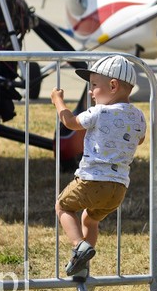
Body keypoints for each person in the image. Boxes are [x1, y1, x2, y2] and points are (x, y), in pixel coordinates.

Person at [51, 55, 147, 279]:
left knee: (63, 207)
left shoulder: (99, 112)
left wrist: (58, 100)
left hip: (92, 180)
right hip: (118, 189)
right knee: (90, 219)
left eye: (94, 86)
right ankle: (81, 267)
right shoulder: (138, 116)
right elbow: (139, 140)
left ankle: (78, 248)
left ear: (113, 86)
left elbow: (70, 123)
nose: (91, 92)